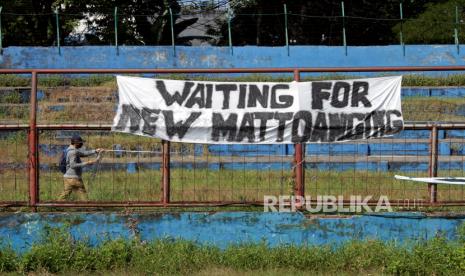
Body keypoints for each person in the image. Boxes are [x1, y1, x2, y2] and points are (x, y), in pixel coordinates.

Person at [59, 135, 104, 201]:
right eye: (80, 143)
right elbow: (73, 165)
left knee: (64, 195)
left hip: (68, 177)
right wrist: (87, 163)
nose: (81, 144)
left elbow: (83, 153)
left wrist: (95, 151)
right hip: (74, 178)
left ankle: (56, 205)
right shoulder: (73, 152)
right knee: (84, 196)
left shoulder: (71, 150)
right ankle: (87, 207)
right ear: (76, 143)